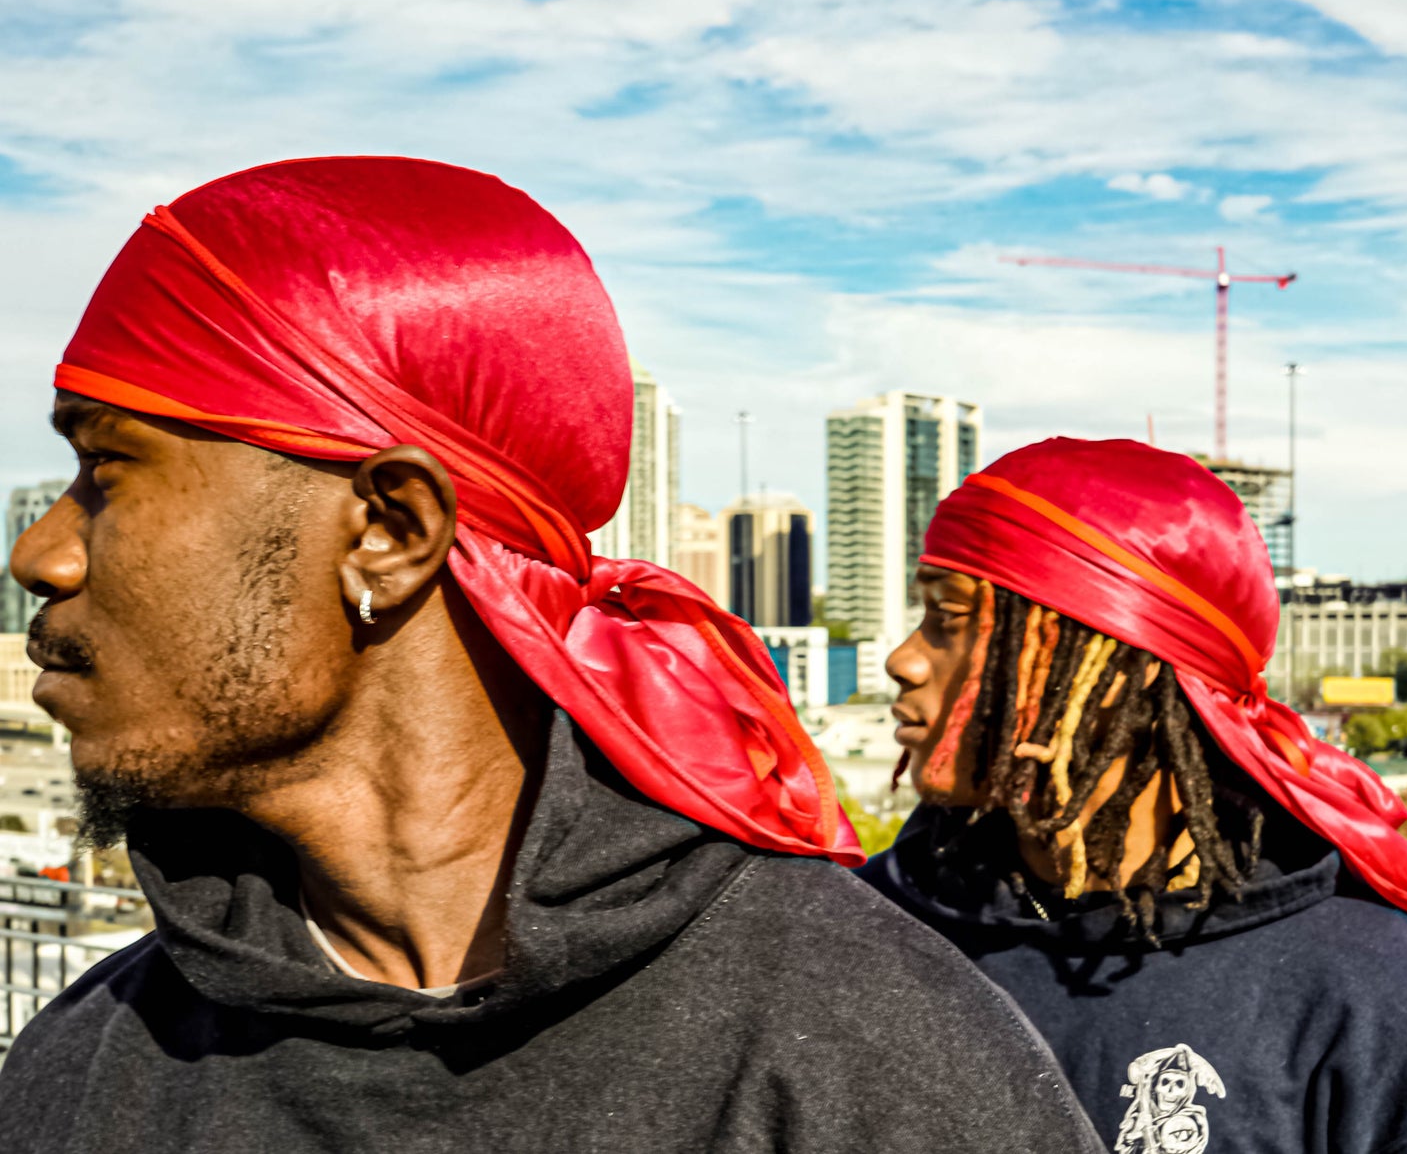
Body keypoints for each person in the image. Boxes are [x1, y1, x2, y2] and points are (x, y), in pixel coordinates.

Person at [1, 157, 1101, 1154]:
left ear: (387, 529)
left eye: (109, 465)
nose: (40, 553)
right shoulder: (83, 1071)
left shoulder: (865, 1067)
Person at [861, 436, 1407, 1154]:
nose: (902, 658)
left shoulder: (1376, 1000)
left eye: (948, 619)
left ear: (1117, 668)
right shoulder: (861, 933)